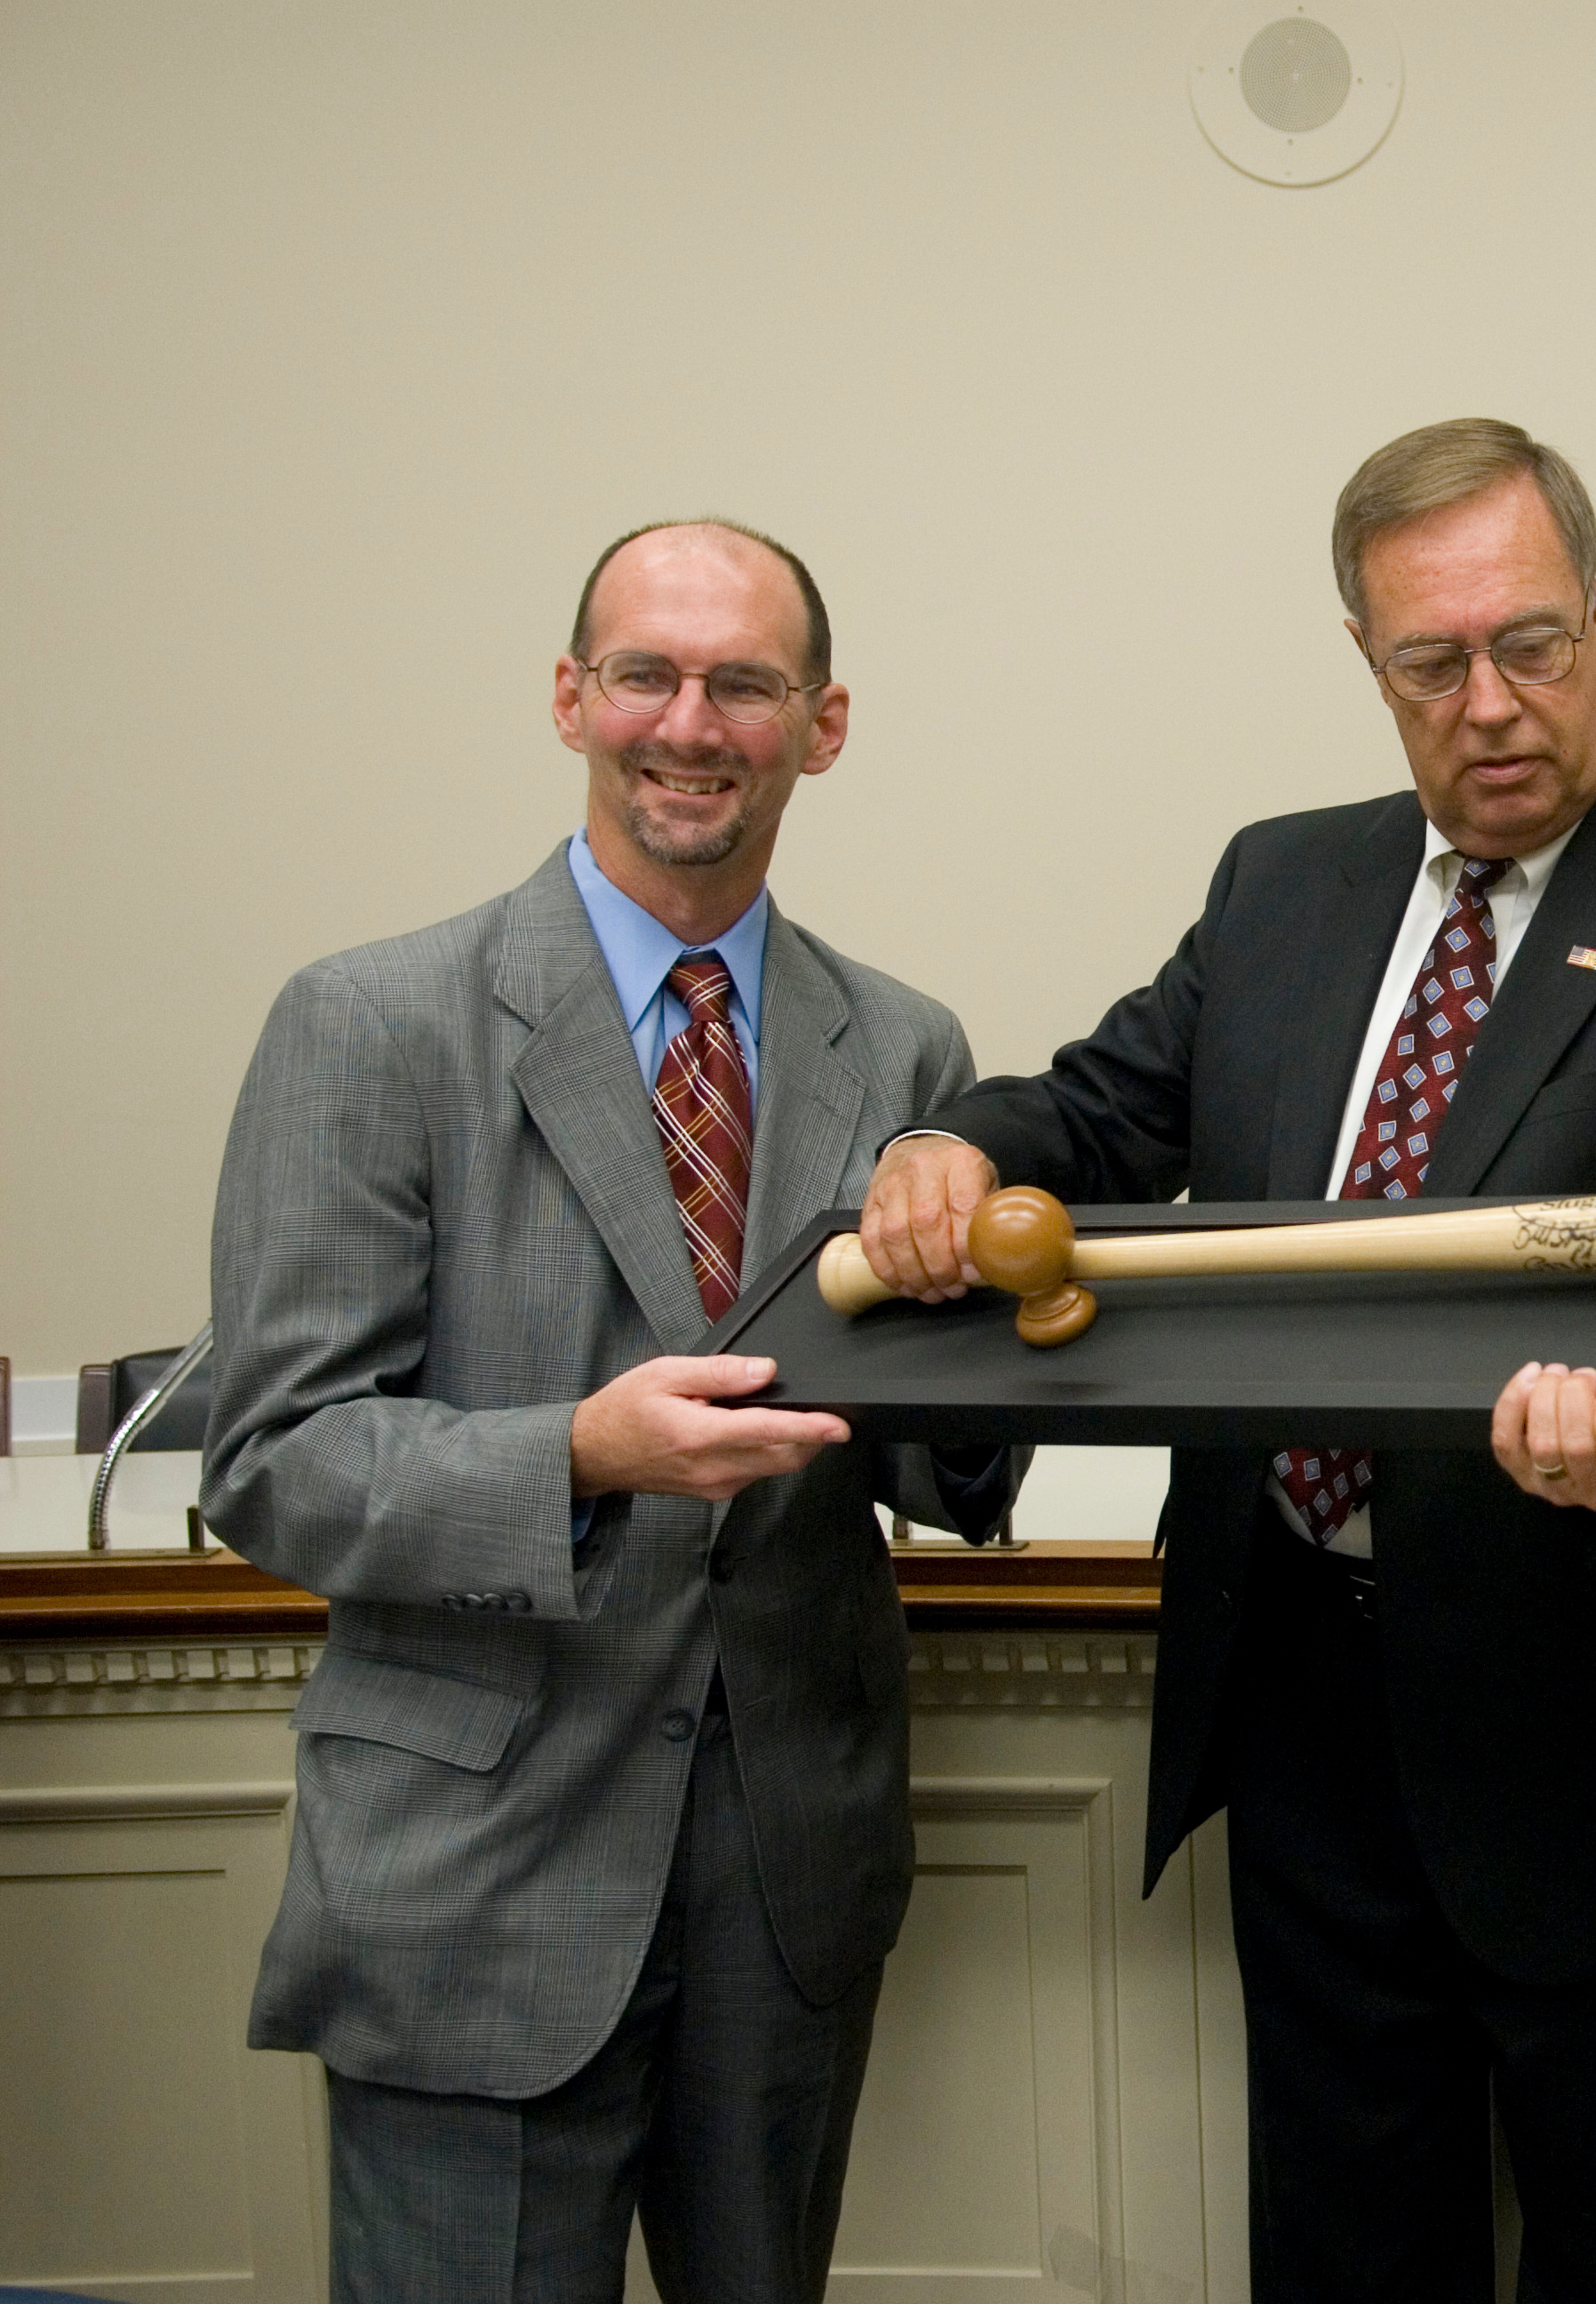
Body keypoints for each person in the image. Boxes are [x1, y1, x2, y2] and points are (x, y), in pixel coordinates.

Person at [861, 417, 1596, 2302]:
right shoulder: (1281, 887)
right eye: (1433, 662)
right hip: (1305, 1707)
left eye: (1534, 645)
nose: (1491, 705)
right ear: (1368, 663)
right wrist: (958, 1152)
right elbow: (1102, 1106)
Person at [204, 520, 1014, 2302]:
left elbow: (950, 1464)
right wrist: (575, 1456)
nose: (689, 721)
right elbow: (272, 1458)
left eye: (744, 683)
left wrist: (1010, 1329)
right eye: (644, 673)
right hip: (474, 1878)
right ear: (571, 699)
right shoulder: (372, 1026)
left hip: (787, 1889)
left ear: (824, 724)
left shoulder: (912, 1056)